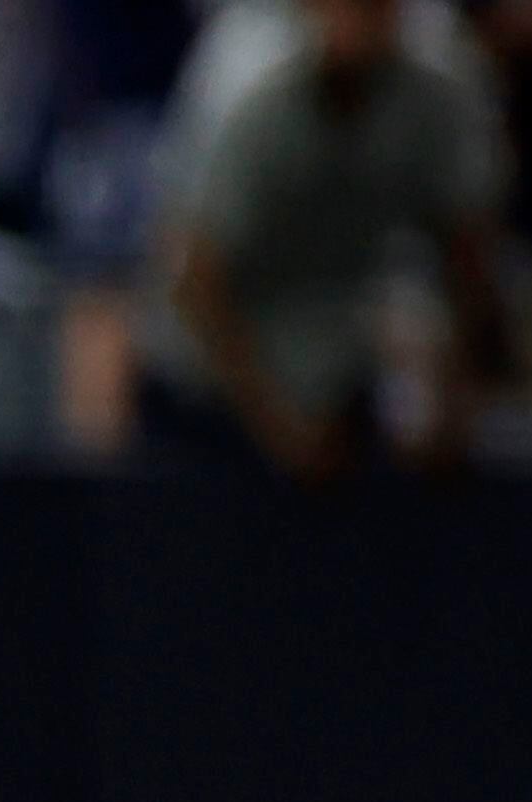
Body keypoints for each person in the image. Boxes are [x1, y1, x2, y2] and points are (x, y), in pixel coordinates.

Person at [141, 0, 506, 478]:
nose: (353, 18)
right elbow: (196, 279)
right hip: (213, 382)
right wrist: (276, 423)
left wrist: (455, 403)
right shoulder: (249, 77)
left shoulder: (437, 78)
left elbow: (469, 255)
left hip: (337, 372)